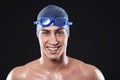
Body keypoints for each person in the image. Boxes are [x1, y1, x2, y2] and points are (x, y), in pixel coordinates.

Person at [6, 5, 105, 80]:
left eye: (59, 33)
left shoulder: (90, 75)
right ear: (38, 35)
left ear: (67, 35)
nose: (53, 41)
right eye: (46, 33)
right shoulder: (18, 76)